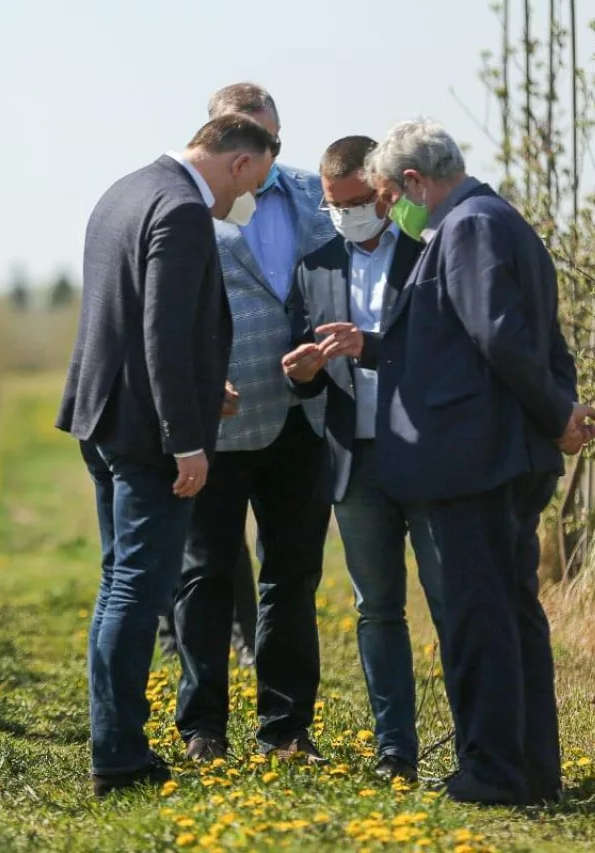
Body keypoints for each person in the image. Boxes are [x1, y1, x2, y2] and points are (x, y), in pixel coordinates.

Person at [318, 119, 595, 806]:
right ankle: (533, 767)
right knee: (510, 613)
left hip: (475, 462)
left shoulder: (467, 228)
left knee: (481, 619)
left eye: (387, 195)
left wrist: (557, 413)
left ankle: (492, 770)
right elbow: (476, 340)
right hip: (499, 455)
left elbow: (500, 340)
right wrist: (374, 345)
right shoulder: (498, 220)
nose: (388, 210)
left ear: (415, 181)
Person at [56, 113, 278, 797]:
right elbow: (161, 331)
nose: (241, 204)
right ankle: (118, 754)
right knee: (137, 588)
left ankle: (113, 737)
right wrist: (188, 439)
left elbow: (130, 317)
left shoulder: (126, 189)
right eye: (253, 185)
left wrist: (203, 386)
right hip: (148, 434)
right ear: (240, 163)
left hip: (103, 415)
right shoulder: (182, 210)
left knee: (117, 581)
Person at [174, 83, 335, 764]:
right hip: (221, 418)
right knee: (207, 576)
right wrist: (196, 384)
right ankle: (202, 727)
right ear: (223, 140)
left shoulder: (306, 195)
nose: (267, 153)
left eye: (273, 138)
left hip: (301, 416)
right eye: (252, 139)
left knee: (292, 577)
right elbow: (168, 309)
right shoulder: (186, 206)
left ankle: (285, 729)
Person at [282, 135, 443, 783]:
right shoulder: (314, 268)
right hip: (355, 461)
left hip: (426, 457)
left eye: (353, 201)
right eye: (331, 205)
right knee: (377, 608)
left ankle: (477, 740)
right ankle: (394, 750)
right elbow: (306, 369)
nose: (343, 214)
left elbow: (442, 354)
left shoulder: (429, 257)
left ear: (382, 193)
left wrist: (368, 345)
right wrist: (300, 372)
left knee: (449, 597)